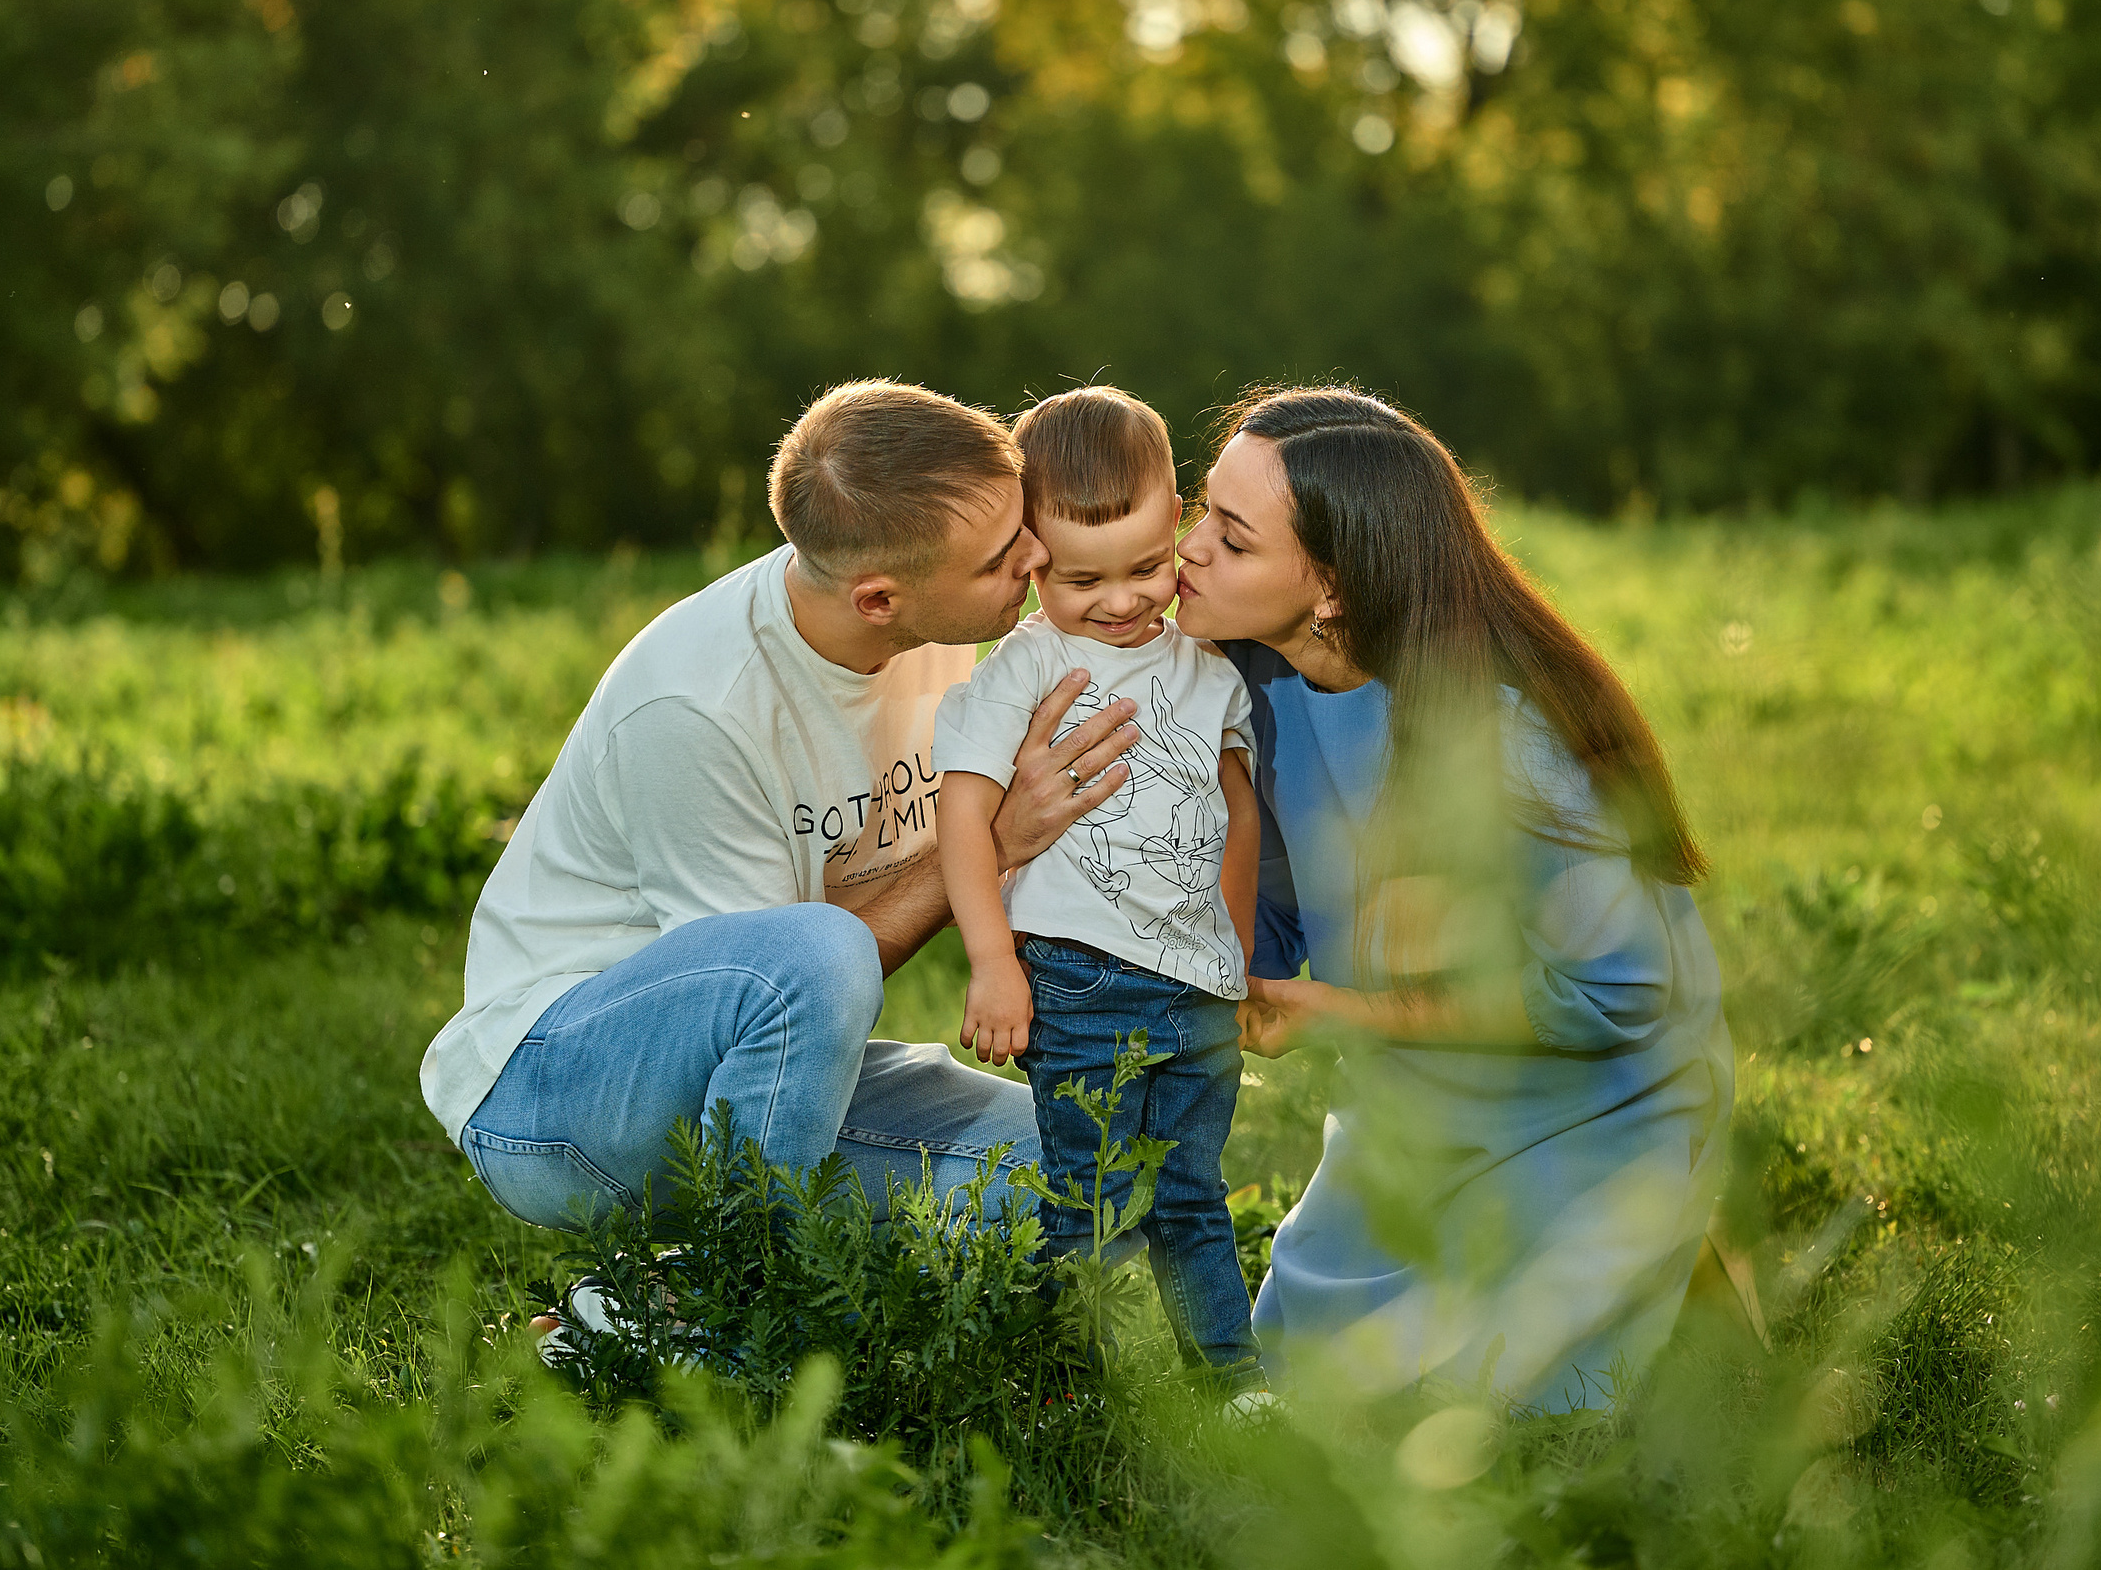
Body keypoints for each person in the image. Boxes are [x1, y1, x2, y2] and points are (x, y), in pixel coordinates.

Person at [419, 379, 1148, 1257]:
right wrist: (990, 843)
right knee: (817, 950)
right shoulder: (699, 707)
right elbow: (777, 996)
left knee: (1099, 1168)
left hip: (768, 1087)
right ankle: (732, 1317)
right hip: (556, 1090)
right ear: (878, 598)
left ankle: (622, 1317)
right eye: (999, 558)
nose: (1036, 555)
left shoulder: (951, 623)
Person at [1171, 385, 1736, 1414]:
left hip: (1589, 1093)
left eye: (1232, 537)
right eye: (1199, 510)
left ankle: (1658, 1240)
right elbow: (1282, 912)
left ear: (1330, 587)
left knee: (1485, 1407)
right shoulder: (1249, 682)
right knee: (1318, 1367)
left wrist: (1345, 1012)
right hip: (1418, 1087)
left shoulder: (1502, 734)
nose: (1189, 549)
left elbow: (1619, 997)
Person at [932, 386, 1267, 1394]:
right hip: (1074, 978)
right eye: (1083, 579)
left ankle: (1232, 1381)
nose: (1122, 600)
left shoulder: (1211, 665)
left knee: (1191, 1196)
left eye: (1147, 566)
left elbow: (1237, 814)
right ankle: (1052, 1384)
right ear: (1030, 553)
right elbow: (963, 820)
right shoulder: (1022, 665)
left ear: (1180, 523)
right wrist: (994, 960)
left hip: (1196, 985)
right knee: (1083, 1199)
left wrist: (1235, 958)